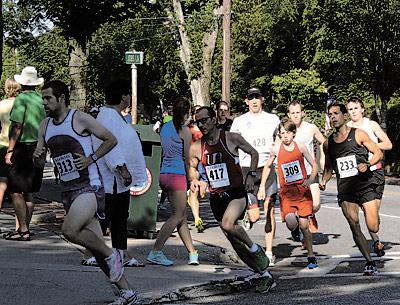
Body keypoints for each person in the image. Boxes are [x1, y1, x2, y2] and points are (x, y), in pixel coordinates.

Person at [33, 80, 139, 304]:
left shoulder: (79, 118)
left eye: (48, 98)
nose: (44, 103)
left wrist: (92, 158)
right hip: (68, 190)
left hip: (89, 187)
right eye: (43, 98)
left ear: (61, 98)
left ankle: (113, 255)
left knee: (70, 230)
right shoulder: (45, 125)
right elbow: (40, 161)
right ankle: (127, 292)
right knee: (98, 253)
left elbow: (111, 139)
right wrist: (38, 158)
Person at [190, 106, 275, 293]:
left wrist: (251, 175)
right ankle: (265, 276)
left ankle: (255, 249)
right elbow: (192, 167)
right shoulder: (196, 147)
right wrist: (194, 180)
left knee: (229, 224)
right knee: (235, 243)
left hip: (236, 192)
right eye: (198, 121)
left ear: (213, 119)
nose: (201, 125)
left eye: (204, 120)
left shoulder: (231, 138)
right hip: (216, 197)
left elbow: (253, 153)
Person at [84, 80, 147, 268]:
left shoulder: (114, 116)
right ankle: (94, 253)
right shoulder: (110, 117)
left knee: (118, 218)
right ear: (123, 96)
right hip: (111, 178)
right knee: (106, 217)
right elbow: (111, 146)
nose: (130, 98)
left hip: (116, 181)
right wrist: (122, 168)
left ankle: (121, 254)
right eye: (128, 94)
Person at [320, 102, 383, 276]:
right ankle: (369, 262)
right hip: (346, 190)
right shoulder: (328, 144)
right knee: (354, 225)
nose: (333, 117)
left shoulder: (358, 134)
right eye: (330, 114)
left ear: (344, 116)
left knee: (373, 226)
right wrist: (324, 180)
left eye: (336, 113)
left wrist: (368, 163)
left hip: (364, 184)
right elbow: (328, 167)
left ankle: (374, 233)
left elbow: (378, 153)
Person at [258, 118, 318, 269]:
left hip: (302, 191)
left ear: (293, 133)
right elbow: (267, 166)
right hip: (287, 193)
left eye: (287, 133)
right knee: (291, 222)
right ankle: (295, 230)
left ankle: (311, 255)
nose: (284, 136)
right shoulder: (276, 150)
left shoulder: (301, 147)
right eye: (281, 133)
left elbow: (314, 165)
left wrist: (310, 179)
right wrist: (262, 187)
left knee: (305, 225)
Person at [230, 87, 280, 266]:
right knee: (254, 216)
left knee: (269, 209)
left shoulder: (273, 119)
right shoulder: (239, 121)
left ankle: (268, 252)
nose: (254, 101)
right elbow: (233, 144)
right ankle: (248, 216)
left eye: (257, 97)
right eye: (251, 98)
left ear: (262, 99)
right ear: (246, 101)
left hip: (267, 167)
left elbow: (280, 139)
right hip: (246, 169)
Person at [146, 97, 199, 266]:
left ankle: (192, 253)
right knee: (177, 215)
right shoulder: (185, 131)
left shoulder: (165, 128)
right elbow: (186, 157)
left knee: (181, 216)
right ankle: (156, 251)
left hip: (164, 174)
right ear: (187, 112)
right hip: (177, 175)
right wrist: (192, 178)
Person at [346, 96, 392, 256]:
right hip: (358, 174)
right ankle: (377, 242)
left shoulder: (370, 124)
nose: (353, 112)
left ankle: (375, 231)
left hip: (375, 171)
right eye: (350, 109)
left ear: (362, 109)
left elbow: (388, 144)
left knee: (374, 213)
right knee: (366, 208)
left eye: (356, 108)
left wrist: (368, 146)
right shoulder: (346, 127)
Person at [3, 67, 46, 241]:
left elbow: (17, 126)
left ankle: (23, 229)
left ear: (21, 83)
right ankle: (24, 228)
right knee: (30, 191)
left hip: (22, 147)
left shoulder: (21, 99)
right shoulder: (42, 99)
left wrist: (10, 150)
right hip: (39, 146)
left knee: (15, 190)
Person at [287, 101, 326, 234]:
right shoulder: (285, 130)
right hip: (293, 175)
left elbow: (324, 142)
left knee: (315, 205)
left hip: (311, 172)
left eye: (298, 112)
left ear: (302, 113)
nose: (296, 115)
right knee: (298, 205)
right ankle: (300, 226)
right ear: (289, 114)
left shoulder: (311, 128)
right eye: (293, 113)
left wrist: (322, 159)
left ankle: (310, 214)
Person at [0, 78, 21, 210]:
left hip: (2, 143)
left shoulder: (1, 104)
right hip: (19, 145)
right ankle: (20, 225)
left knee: (1, 184)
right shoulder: (22, 104)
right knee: (18, 187)